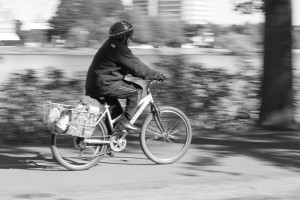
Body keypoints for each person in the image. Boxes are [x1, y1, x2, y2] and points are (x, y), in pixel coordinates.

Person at [85, 21, 164, 131]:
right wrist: (156, 75)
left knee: (116, 116)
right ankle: (126, 122)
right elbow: (137, 68)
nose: (130, 39)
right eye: (130, 36)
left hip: (93, 85)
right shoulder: (118, 48)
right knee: (137, 91)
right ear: (124, 37)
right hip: (105, 85)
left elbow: (126, 67)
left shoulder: (109, 45)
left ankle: (107, 142)